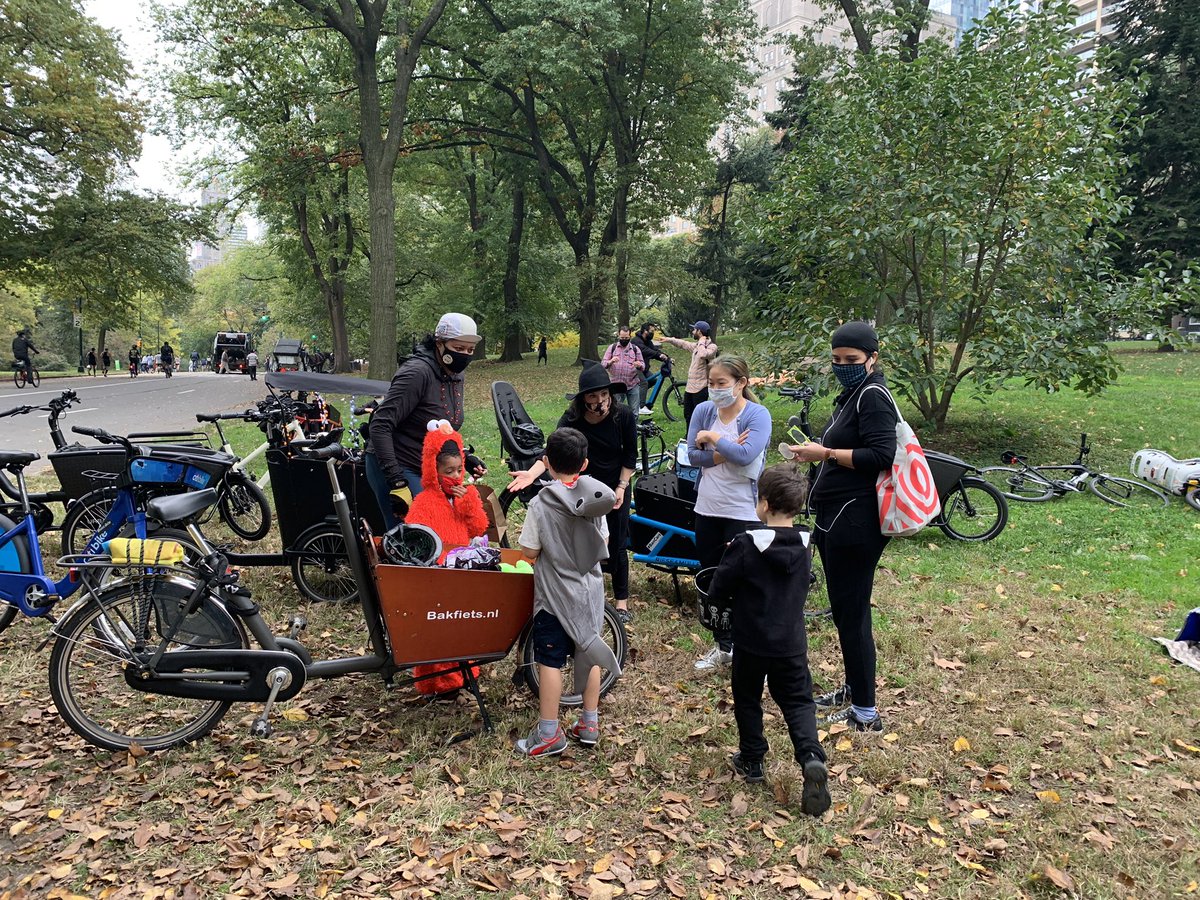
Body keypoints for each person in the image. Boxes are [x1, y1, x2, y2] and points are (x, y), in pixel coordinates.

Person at [786, 322, 896, 732]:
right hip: (837, 517)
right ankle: (854, 688)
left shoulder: (873, 396)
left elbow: (882, 455)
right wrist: (818, 455)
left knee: (852, 614)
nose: (843, 366)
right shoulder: (852, 394)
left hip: (857, 521)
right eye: (836, 360)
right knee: (845, 612)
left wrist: (826, 452)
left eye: (851, 360)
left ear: (872, 359)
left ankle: (866, 713)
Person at [705, 463, 831, 816]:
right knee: (798, 702)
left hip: (751, 642)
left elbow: (718, 589)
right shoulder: (806, 544)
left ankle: (752, 758)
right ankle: (810, 757)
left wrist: (731, 557)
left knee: (747, 698)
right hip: (791, 644)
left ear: (763, 503)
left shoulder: (745, 545)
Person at [515, 427, 619, 756]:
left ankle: (549, 733)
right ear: (585, 464)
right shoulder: (594, 500)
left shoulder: (541, 504)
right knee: (589, 653)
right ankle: (589, 722)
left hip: (554, 600)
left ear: (546, 463)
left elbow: (529, 553)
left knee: (550, 661)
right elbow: (603, 544)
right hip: (589, 595)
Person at [507, 363, 637, 624]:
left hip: (615, 485)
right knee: (585, 540)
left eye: (604, 394)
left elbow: (630, 457)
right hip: (580, 487)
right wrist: (532, 474)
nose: (600, 401)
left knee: (617, 541)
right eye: (592, 396)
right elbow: (553, 450)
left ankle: (621, 602)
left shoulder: (622, 415)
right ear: (582, 399)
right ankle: (589, 587)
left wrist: (621, 488)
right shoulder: (572, 419)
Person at [686, 354, 773, 670]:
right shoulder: (704, 410)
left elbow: (748, 453)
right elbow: (692, 456)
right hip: (707, 508)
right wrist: (725, 451)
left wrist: (712, 438)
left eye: (721, 384)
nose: (715, 389)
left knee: (745, 583)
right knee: (713, 580)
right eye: (711, 383)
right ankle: (723, 647)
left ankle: (751, 651)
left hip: (743, 511)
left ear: (741, 384)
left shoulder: (757, 415)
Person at [367, 312, 487, 531]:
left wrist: (465, 457)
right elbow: (380, 424)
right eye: (459, 349)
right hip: (396, 462)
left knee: (440, 529)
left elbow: (441, 427)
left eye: (470, 350)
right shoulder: (417, 373)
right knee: (416, 534)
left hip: (427, 465)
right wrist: (396, 480)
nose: (465, 355)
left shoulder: (455, 375)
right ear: (439, 343)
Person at [405, 420, 491, 695]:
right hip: (437, 574)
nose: (454, 476)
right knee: (440, 629)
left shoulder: (467, 495)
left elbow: (478, 527)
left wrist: (466, 502)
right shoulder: (424, 502)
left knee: (463, 624)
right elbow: (415, 538)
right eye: (447, 471)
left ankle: (465, 672)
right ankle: (438, 682)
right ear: (434, 470)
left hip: (462, 569)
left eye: (458, 470)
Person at [661, 321, 718, 426]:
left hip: (701, 387)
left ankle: (700, 438)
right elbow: (683, 344)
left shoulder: (712, 347)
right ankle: (688, 437)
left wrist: (701, 341)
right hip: (690, 387)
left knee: (699, 416)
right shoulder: (696, 346)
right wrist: (669, 340)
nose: (692, 332)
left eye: (694, 330)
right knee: (688, 414)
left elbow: (703, 354)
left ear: (699, 332)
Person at [601, 325, 645, 412]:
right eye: (622, 337)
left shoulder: (635, 349)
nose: (624, 339)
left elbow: (643, 366)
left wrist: (639, 365)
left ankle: (633, 425)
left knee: (634, 411)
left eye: (626, 338)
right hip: (616, 384)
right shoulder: (612, 348)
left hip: (632, 384)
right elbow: (603, 364)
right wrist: (611, 361)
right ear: (618, 336)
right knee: (615, 410)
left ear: (630, 336)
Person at [631, 323, 670, 415]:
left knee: (653, 380)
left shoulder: (648, 342)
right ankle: (640, 406)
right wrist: (658, 355)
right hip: (634, 368)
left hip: (644, 369)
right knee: (644, 382)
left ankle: (637, 395)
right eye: (651, 331)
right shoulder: (636, 341)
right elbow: (645, 351)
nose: (652, 333)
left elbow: (655, 351)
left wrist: (667, 357)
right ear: (645, 331)